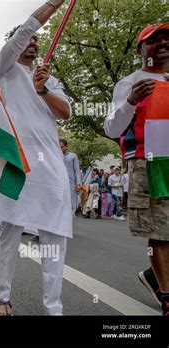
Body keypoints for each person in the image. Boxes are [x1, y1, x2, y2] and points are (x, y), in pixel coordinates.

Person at [0, 0, 72, 316]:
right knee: (10, 230)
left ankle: (54, 306)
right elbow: (26, 29)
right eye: (29, 37)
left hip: (49, 166)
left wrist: (42, 90)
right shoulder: (4, 69)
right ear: (16, 43)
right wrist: (52, 5)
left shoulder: (47, 78)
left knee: (55, 233)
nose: (34, 41)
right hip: (15, 163)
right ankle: (2, 297)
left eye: (38, 40)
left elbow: (65, 112)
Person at [104, 22, 169, 315]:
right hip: (150, 159)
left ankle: (155, 276)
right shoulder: (129, 83)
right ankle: (167, 295)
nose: (163, 43)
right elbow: (111, 128)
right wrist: (131, 101)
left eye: (167, 39)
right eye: (155, 39)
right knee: (160, 231)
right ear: (140, 49)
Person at [60, 139, 81, 214]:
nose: (60, 149)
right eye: (59, 147)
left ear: (66, 146)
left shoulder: (73, 156)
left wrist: (78, 184)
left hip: (71, 184)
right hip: (60, 183)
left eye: (62, 147)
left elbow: (77, 171)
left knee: (71, 205)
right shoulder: (57, 156)